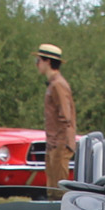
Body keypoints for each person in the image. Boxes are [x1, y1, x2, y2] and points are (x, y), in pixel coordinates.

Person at [36, 42, 76, 192]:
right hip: (54, 143)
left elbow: (65, 117)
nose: (37, 64)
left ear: (47, 61)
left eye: (38, 60)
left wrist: (58, 144)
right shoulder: (53, 84)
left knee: (58, 191)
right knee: (52, 189)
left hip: (59, 144)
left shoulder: (58, 85)